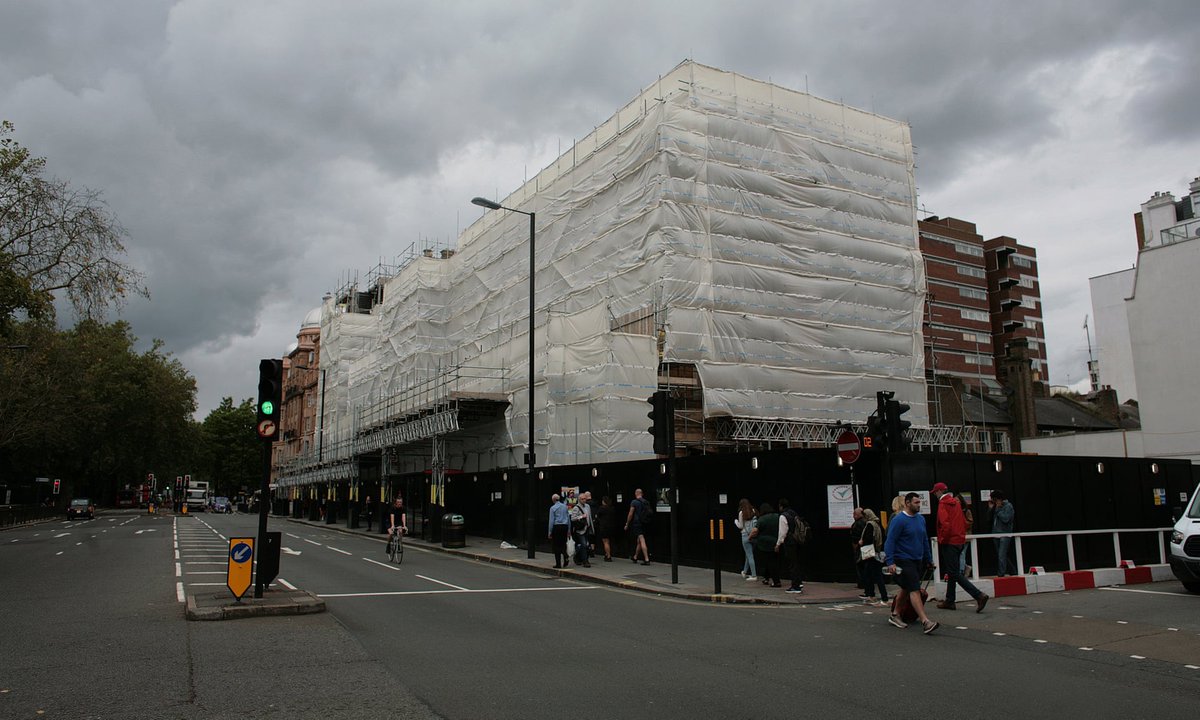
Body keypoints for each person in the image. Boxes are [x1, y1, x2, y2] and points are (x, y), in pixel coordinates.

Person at [884, 492, 938, 634]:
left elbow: (924, 540)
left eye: (919, 503)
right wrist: (890, 561)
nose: (919, 505)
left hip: (917, 559)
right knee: (914, 589)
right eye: (916, 503)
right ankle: (926, 622)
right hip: (903, 559)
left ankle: (895, 615)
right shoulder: (899, 520)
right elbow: (890, 541)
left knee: (907, 588)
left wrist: (928, 559)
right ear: (907, 503)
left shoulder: (920, 519)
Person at [932, 482, 989, 613]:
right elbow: (963, 522)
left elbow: (945, 524)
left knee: (953, 573)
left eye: (935, 492)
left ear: (939, 492)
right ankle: (950, 600)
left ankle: (978, 595)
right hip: (959, 541)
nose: (934, 495)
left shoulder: (943, 504)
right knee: (953, 571)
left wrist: (942, 539)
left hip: (949, 542)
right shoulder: (956, 503)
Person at [857, 509, 889, 606]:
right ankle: (871, 595)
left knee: (875, 576)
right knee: (870, 574)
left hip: (871, 553)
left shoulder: (870, 525)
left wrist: (861, 542)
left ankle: (883, 597)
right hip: (878, 553)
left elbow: (868, 539)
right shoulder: (878, 524)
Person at [778, 498, 804, 594]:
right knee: (796, 563)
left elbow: (782, 532)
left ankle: (795, 587)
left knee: (792, 564)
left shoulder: (783, 516)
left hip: (789, 542)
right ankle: (799, 582)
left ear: (781, 506)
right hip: (797, 540)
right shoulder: (793, 513)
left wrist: (778, 544)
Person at [753, 502, 782, 588]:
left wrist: (750, 537)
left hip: (765, 544)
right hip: (777, 541)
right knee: (772, 561)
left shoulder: (762, 519)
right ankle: (766, 578)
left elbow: (755, 531)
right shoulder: (778, 517)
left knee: (770, 562)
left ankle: (776, 581)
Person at [991, 491, 1015, 576]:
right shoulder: (995, 506)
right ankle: (1012, 570)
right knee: (1001, 554)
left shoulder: (1008, 506)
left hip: (1005, 533)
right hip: (995, 533)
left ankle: (1001, 573)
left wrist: (998, 510)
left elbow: (1006, 519)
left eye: (994, 499)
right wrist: (991, 508)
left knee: (1001, 554)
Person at [624, 488, 652, 565]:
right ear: (642, 494)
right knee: (639, 540)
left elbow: (630, 514)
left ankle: (646, 559)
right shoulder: (646, 502)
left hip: (637, 523)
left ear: (636, 493)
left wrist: (627, 523)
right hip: (645, 523)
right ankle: (635, 556)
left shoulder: (634, 502)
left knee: (641, 539)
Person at [734, 498, 758, 580]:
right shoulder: (754, 510)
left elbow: (740, 526)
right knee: (749, 555)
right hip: (753, 535)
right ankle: (744, 572)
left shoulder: (741, 513)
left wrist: (736, 522)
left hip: (745, 535)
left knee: (749, 555)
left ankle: (754, 575)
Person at [569, 492, 594, 567]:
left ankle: (577, 557)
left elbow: (589, 517)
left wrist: (592, 528)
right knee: (583, 544)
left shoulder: (588, 506)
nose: (584, 500)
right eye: (582, 499)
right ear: (579, 500)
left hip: (587, 528)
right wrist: (581, 516)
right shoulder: (576, 508)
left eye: (585, 499)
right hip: (580, 530)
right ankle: (585, 561)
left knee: (586, 545)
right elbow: (573, 518)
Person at [548, 493, 571, 568]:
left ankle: (558, 564)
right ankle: (565, 556)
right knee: (563, 543)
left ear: (553, 500)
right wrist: (569, 530)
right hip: (565, 526)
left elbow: (551, 521)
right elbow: (568, 519)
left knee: (556, 545)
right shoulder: (565, 507)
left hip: (557, 527)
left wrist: (550, 531)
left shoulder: (553, 508)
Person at [849, 507, 867, 595]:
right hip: (866, 548)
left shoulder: (857, 524)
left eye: (854, 514)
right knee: (864, 565)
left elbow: (855, 537)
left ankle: (862, 583)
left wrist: (855, 547)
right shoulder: (866, 522)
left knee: (860, 565)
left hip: (859, 547)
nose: (853, 516)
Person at [594, 495, 618, 561]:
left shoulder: (601, 508)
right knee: (609, 541)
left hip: (604, 526)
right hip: (611, 526)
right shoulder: (612, 508)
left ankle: (608, 555)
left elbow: (597, 516)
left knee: (605, 541)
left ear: (603, 501)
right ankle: (607, 554)